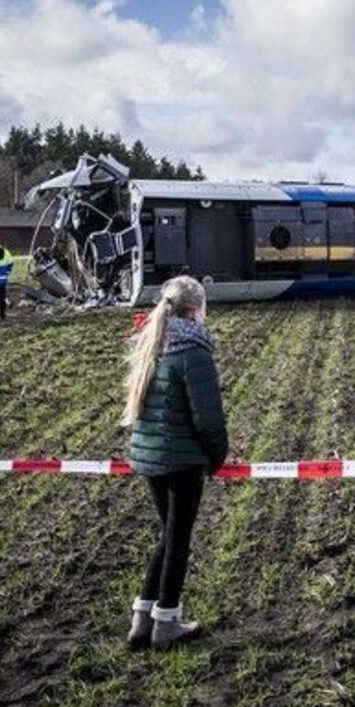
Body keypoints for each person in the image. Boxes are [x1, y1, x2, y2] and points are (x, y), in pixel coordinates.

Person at [122, 276, 228, 650]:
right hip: (182, 462)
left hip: (150, 458)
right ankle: (167, 622)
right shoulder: (193, 351)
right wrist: (218, 457)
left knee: (168, 536)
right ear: (198, 308)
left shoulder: (154, 344)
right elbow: (208, 418)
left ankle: (142, 620)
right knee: (178, 541)